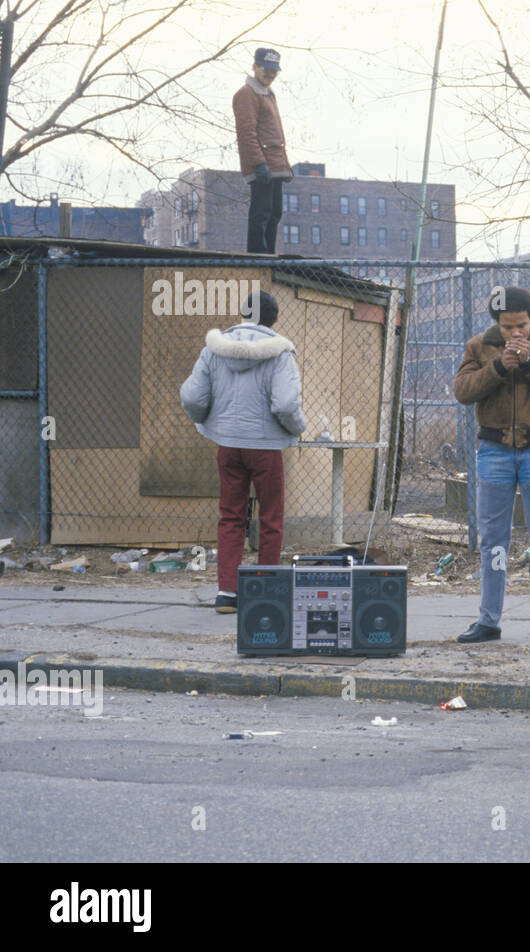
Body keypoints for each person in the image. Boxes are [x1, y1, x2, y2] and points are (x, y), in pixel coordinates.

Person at [453, 286, 530, 642]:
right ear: (497, 324)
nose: (516, 333)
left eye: (521, 325)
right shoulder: (479, 346)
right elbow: (462, 390)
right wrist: (498, 367)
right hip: (495, 450)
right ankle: (489, 620)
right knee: (494, 541)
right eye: (508, 327)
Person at [180, 291, 307, 613]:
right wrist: (296, 429)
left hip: (228, 446)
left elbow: (193, 397)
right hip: (265, 448)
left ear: (242, 314)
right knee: (271, 518)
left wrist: (208, 422)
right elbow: (286, 404)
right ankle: (264, 592)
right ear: (274, 318)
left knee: (231, 517)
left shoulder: (214, 350)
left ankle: (228, 594)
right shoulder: (280, 354)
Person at [233, 47, 292, 254]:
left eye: (274, 71)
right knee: (262, 213)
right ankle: (258, 258)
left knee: (274, 213)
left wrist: (284, 166)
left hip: (274, 163)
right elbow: (246, 133)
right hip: (263, 164)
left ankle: (268, 257)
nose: (270, 74)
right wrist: (258, 164)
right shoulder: (246, 94)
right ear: (255, 67)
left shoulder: (268, 93)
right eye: (266, 69)